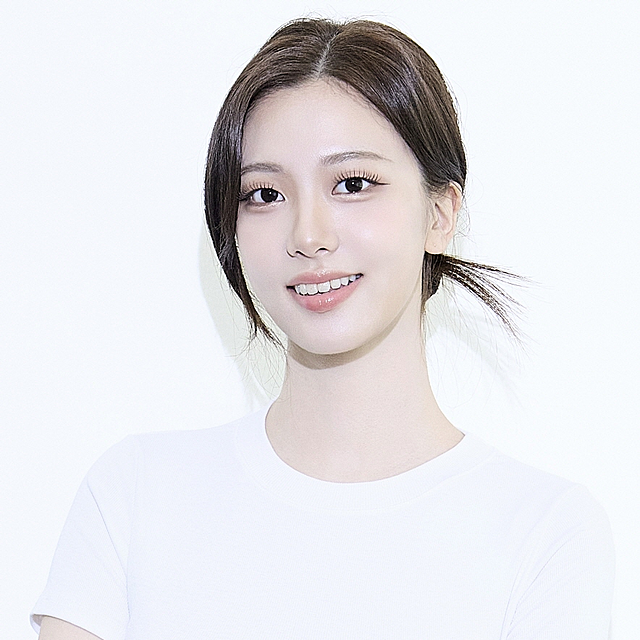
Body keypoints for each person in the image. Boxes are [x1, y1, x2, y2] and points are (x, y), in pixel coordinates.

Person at [32, 17, 615, 639]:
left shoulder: (543, 532)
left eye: (352, 184)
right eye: (264, 194)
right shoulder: (135, 496)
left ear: (440, 214)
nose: (308, 235)